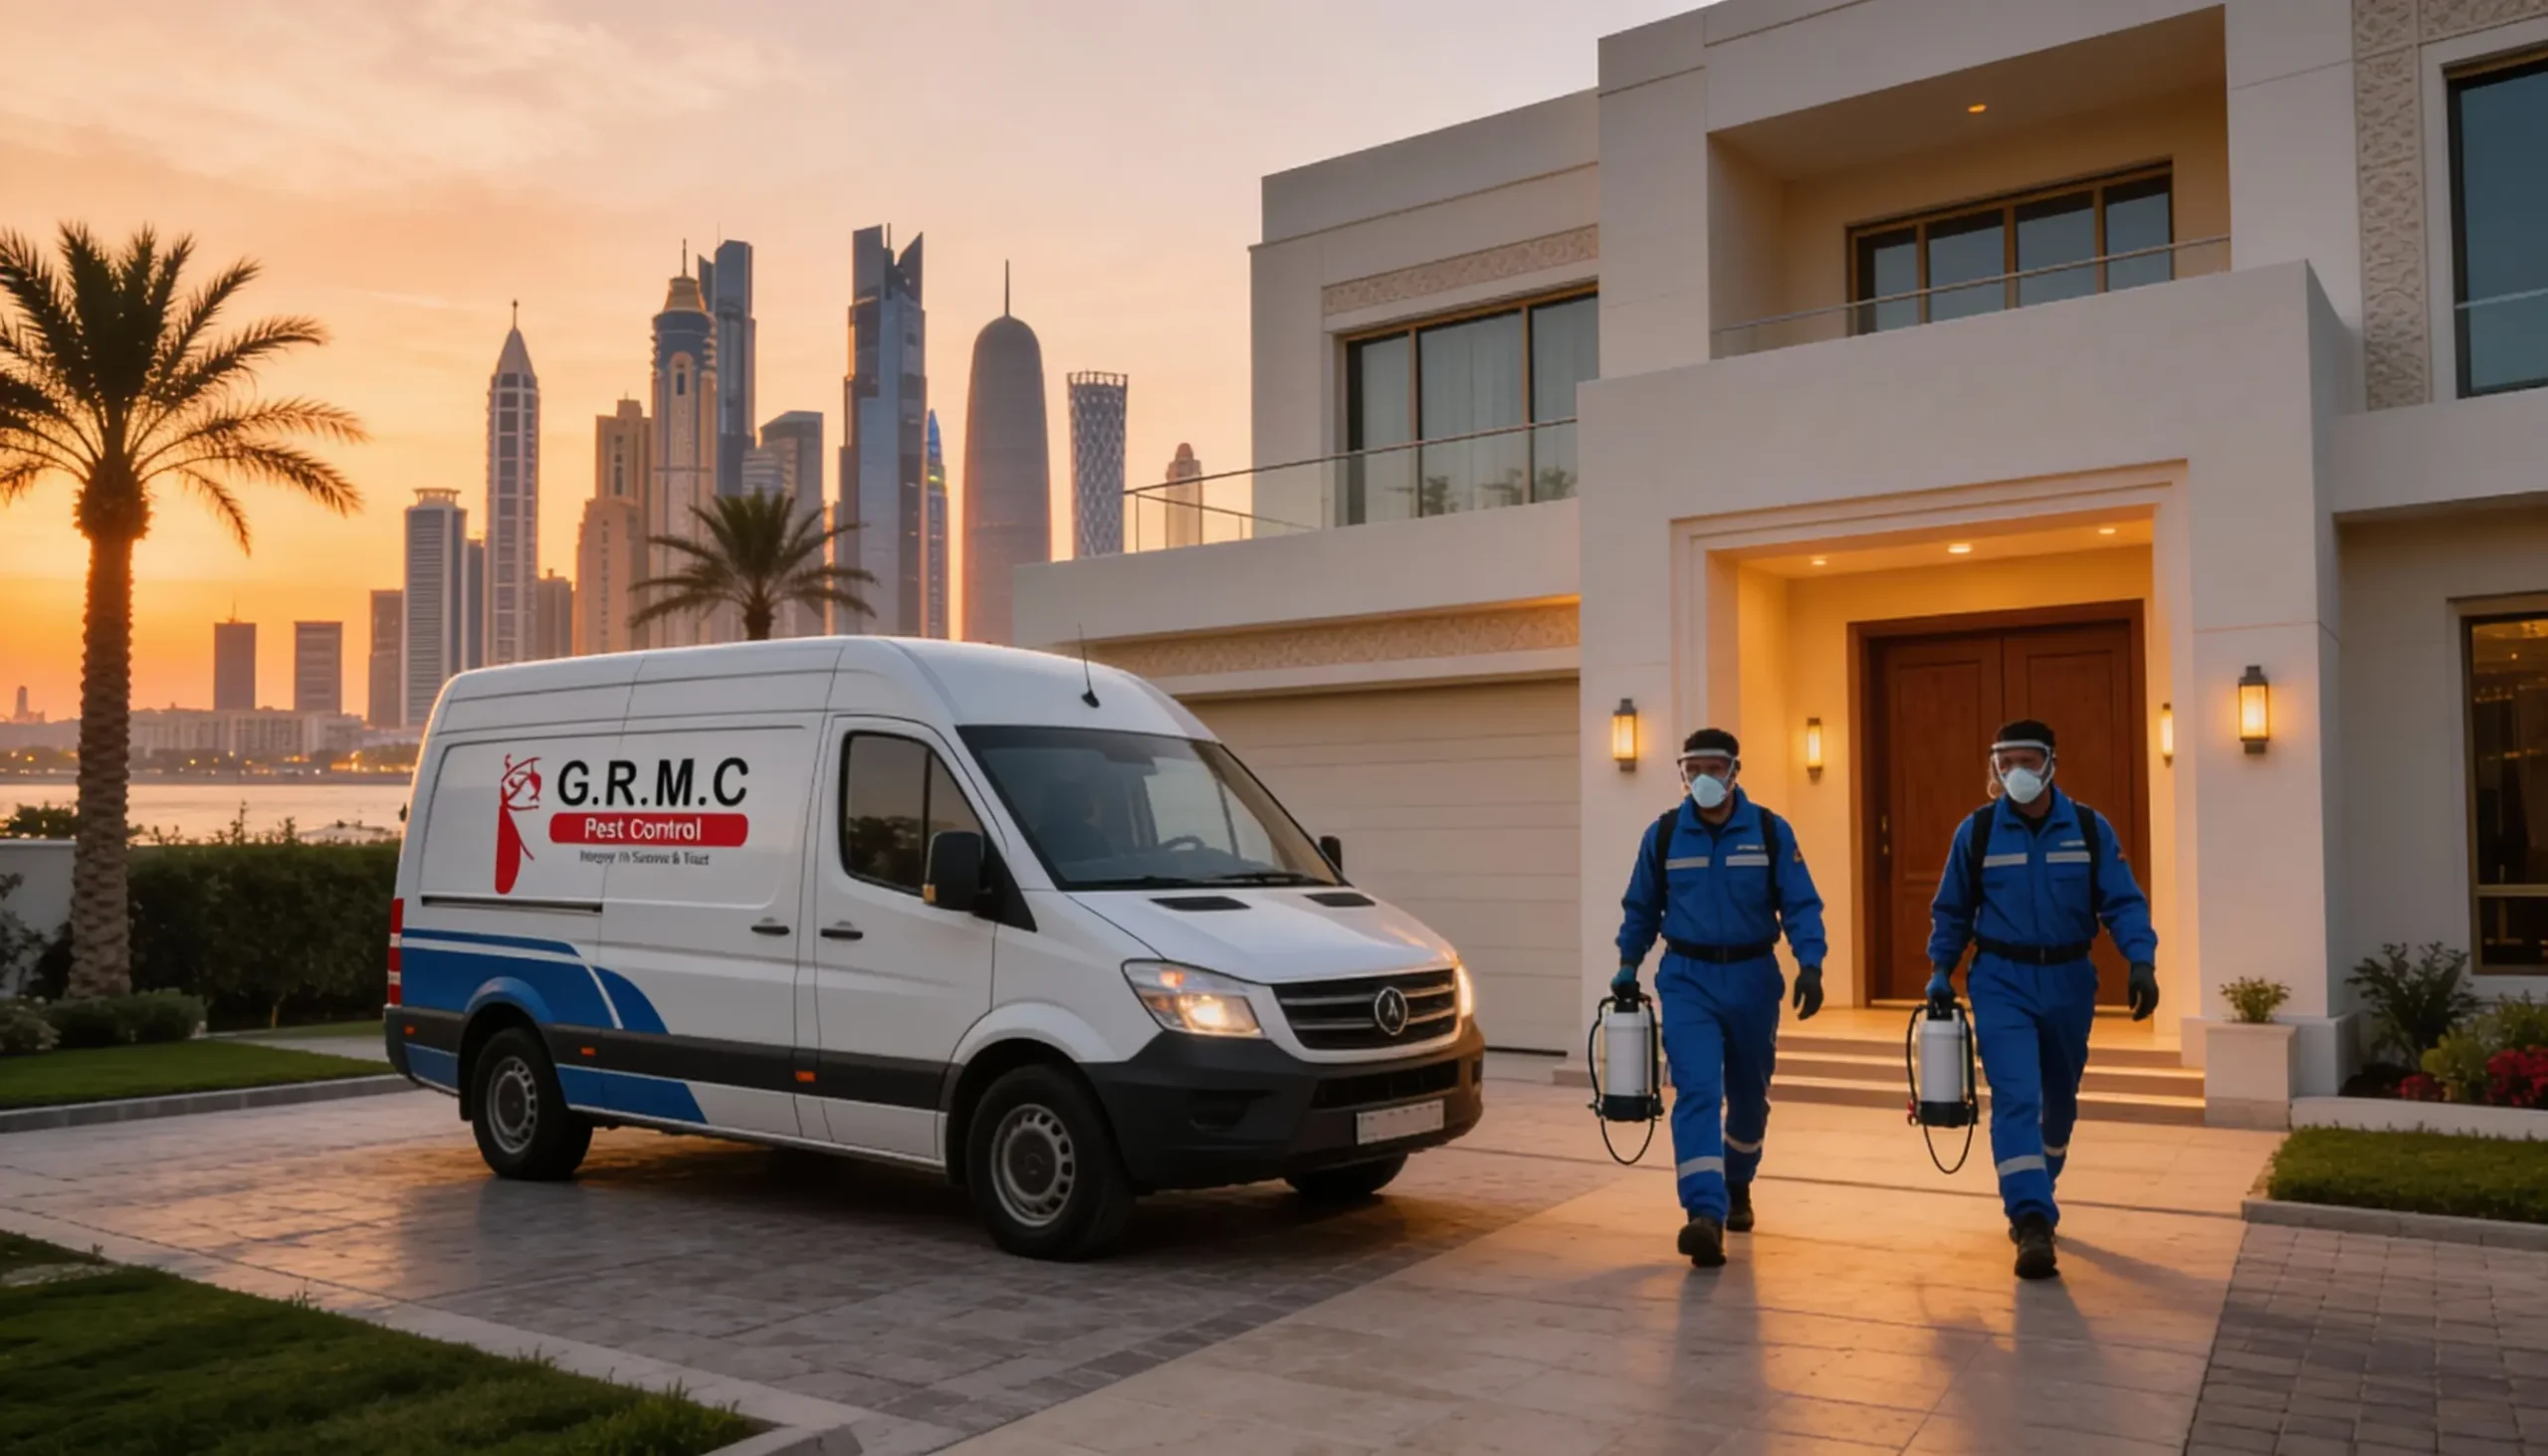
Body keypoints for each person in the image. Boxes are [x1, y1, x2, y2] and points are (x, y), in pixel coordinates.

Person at [1927, 719, 2158, 1282]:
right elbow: (1952, 909)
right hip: (2000, 979)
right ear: (1994, 768)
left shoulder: (2086, 828)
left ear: (2051, 763)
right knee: (2015, 1096)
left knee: (2059, 1099)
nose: (2017, 773)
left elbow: (2122, 903)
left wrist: (2141, 960)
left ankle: (2039, 1184)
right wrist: (1940, 970)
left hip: (2069, 980)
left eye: (2028, 762)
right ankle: (2030, 1219)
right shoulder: (1977, 832)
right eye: (2006, 764)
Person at [1614, 728, 1825, 1269]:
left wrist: (1811, 964)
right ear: (1682, 773)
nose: (1703, 780)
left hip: (1754, 976)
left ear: (1735, 770)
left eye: (1714, 769)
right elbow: (1641, 907)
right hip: (1687, 978)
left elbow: (1800, 904)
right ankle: (1703, 1215)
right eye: (1693, 769)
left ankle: (1737, 1182)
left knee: (1749, 1096)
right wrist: (1627, 965)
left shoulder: (1771, 832)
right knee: (1698, 1092)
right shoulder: (1662, 836)